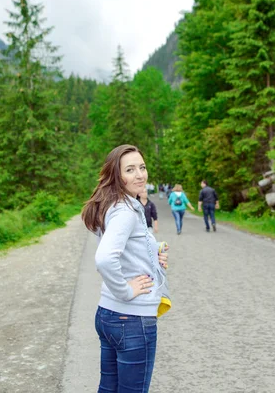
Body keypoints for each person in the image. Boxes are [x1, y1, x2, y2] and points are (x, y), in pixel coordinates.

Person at [81, 144, 169, 393]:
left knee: (108, 389)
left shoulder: (113, 204)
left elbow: (125, 247)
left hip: (108, 315)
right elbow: (106, 258)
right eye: (130, 170)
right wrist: (125, 290)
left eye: (142, 167)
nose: (140, 174)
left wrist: (153, 251)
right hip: (131, 319)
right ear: (116, 176)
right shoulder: (125, 211)